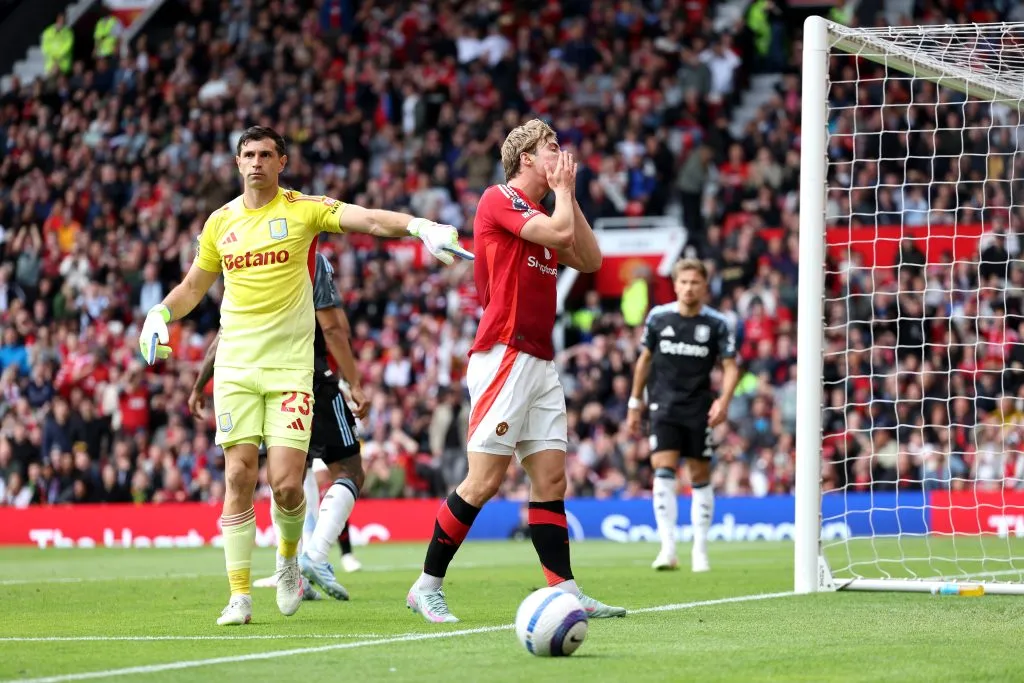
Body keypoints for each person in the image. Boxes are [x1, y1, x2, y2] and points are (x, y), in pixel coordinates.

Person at [140, 125, 469, 626]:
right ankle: (240, 596)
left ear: (282, 162)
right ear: (237, 163)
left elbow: (369, 220)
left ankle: (290, 561)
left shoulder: (303, 210)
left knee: (288, 486)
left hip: (292, 370)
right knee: (237, 474)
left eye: (265, 154)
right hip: (235, 368)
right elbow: (192, 286)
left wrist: (420, 227)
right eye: (247, 155)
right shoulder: (219, 223)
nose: (256, 163)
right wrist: (160, 314)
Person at [405, 119, 625, 623]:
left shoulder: (550, 210)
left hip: (540, 358)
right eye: (552, 147)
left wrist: (567, 194)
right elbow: (558, 232)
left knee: (551, 479)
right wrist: (563, 194)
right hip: (503, 351)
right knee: (482, 481)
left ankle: (566, 591)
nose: (561, 153)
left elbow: (589, 258)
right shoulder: (497, 198)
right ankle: (426, 585)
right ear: (526, 158)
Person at [190, 252, 368, 601]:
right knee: (349, 469)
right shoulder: (311, 258)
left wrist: (199, 385)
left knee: (289, 478)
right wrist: (354, 382)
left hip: (263, 384)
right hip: (309, 377)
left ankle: (289, 572)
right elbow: (332, 327)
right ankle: (314, 557)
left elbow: (226, 334)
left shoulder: (249, 260)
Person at [626, 259, 740, 572]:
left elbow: (731, 367)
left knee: (699, 476)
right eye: (684, 282)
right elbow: (644, 361)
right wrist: (634, 402)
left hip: (699, 409)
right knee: (662, 471)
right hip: (662, 407)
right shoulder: (659, 317)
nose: (689, 287)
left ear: (704, 286)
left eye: (695, 282)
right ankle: (668, 549)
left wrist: (724, 401)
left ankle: (700, 551)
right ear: (675, 285)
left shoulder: (716, 323)